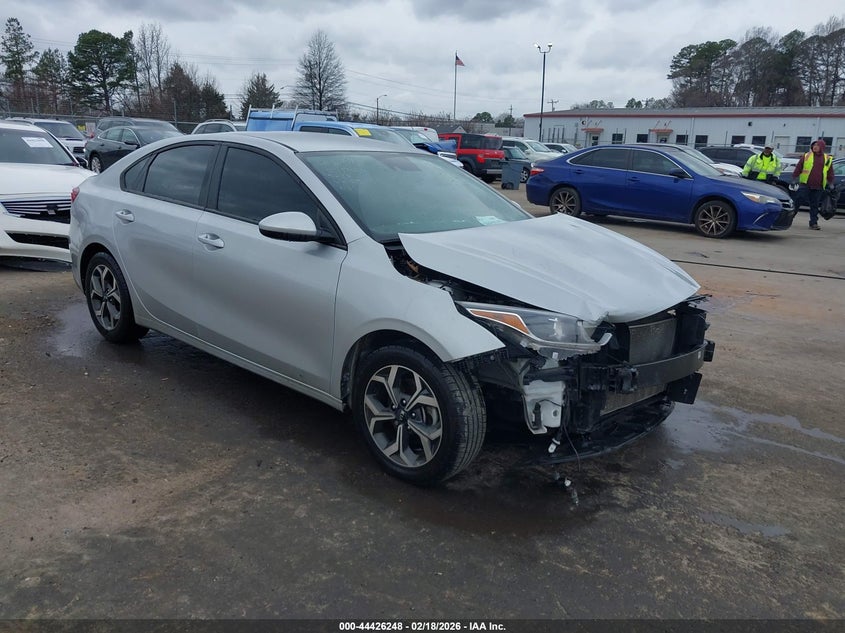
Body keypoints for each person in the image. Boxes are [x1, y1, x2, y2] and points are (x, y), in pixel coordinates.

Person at [792, 140, 835, 230]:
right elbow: (799, 167)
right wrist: (794, 178)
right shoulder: (806, 156)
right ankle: (788, 218)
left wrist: (831, 183)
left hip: (818, 186)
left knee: (814, 205)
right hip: (805, 184)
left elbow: (830, 172)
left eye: (817, 145)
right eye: (814, 145)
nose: (815, 147)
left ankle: (813, 223)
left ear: (822, 147)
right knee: (797, 201)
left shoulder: (827, 158)